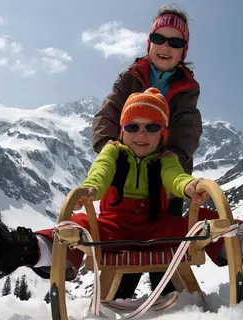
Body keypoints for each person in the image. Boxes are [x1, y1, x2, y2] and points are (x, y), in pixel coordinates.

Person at [0, 88, 243, 299]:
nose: (141, 133)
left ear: (162, 134)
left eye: (151, 127)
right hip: (114, 228)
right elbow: (100, 174)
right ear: (122, 130)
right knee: (77, 225)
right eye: (132, 126)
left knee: (207, 223)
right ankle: (10, 250)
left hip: (158, 228)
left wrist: (190, 186)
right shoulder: (113, 153)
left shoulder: (164, 159)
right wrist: (91, 188)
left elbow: (175, 179)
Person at [91, 4, 202, 296]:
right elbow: (108, 113)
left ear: (183, 52)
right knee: (124, 245)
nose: (166, 46)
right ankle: (119, 298)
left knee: (163, 245)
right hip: (127, 172)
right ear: (149, 42)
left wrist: (173, 156)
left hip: (167, 173)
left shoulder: (186, 88)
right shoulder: (131, 77)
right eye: (159, 39)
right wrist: (109, 149)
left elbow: (188, 127)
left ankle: (169, 301)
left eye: (175, 42)